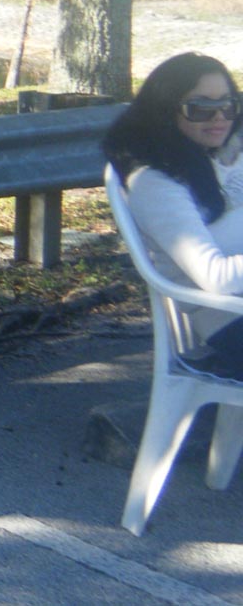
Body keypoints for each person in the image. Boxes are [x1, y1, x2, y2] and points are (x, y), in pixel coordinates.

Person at [103, 51, 243, 379]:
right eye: (200, 108)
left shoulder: (219, 157)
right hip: (230, 321)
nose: (219, 117)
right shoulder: (155, 181)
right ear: (166, 111)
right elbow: (218, 278)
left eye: (228, 104)